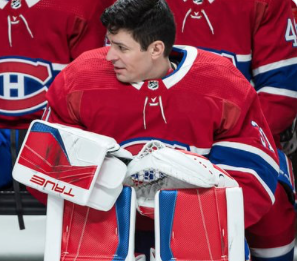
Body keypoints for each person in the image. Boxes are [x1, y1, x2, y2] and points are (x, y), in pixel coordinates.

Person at [35, 0, 280, 259]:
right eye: (109, 44)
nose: (109, 56)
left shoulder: (221, 82)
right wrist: (115, 189)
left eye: (121, 48)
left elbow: (255, 173)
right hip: (102, 225)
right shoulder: (80, 78)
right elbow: (42, 161)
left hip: (197, 227)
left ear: (156, 49)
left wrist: (178, 204)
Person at [0, 0, 115, 216]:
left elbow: (96, 87)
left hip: (57, 128)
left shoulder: (85, 5)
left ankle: (100, 249)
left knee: (97, 188)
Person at [164, 0, 297, 259]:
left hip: (237, 142)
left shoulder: (266, 4)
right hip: (155, 138)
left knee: (272, 209)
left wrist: (217, 149)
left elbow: (280, 93)